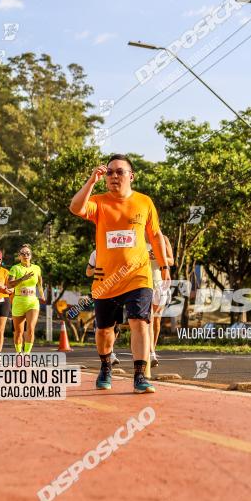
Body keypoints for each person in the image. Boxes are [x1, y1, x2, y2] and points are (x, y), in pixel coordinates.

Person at [69, 155, 170, 394]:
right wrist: (92, 181)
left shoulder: (144, 202)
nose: (114, 176)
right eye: (110, 172)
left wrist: (164, 267)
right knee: (105, 330)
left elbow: (155, 236)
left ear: (131, 176)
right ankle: (105, 366)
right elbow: (75, 208)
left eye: (119, 172)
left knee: (139, 321)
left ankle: (140, 375)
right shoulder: (99, 201)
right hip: (106, 280)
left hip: (138, 275)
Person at [7, 244, 45, 354]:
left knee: (31, 328)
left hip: (32, 302)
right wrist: (22, 278)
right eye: (23, 253)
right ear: (19, 256)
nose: (25, 255)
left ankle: (27, 354)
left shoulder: (37, 268)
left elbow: (39, 284)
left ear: (31, 256)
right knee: (18, 332)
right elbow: (9, 285)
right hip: (18, 301)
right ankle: (19, 353)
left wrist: (41, 294)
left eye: (28, 253)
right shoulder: (15, 268)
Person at [86, 250, 119, 366]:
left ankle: (111, 351)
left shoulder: (118, 250)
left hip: (118, 290)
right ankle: (109, 355)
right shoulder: (95, 253)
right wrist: (96, 270)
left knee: (115, 326)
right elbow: (88, 272)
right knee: (103, 327)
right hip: (101, 291)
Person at [148, 235, 174, 367]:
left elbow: (171, 261)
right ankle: (151, 353)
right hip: (143, 283)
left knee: (156, 320)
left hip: (160, 284)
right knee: (149, 318)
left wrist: (157, 257)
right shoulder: (137, 236)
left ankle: (152, 348)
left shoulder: (163, 239)